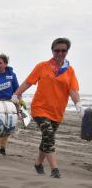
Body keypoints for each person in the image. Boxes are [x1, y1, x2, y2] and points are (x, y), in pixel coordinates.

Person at [13, 38, 85, 179]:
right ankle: (55, 169)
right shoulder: (42, 66)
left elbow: (73, 90)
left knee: (46, 138)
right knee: (49, 135)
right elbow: (28, 82)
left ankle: (38, 164)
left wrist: (78, 105)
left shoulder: (69, 70)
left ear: (67, 51)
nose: (60, 53)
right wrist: (16, 94)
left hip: (57, 112)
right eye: (56, 50)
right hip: (40, 109)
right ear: (52, 51)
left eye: (63, 50)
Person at [0, 54, 20, 157]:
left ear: (5, 64)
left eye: (0, 63)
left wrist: (18, 102)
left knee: (7, 126)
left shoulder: (12, 75)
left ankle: (2, 148)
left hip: (9, 104)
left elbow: (17, 90)